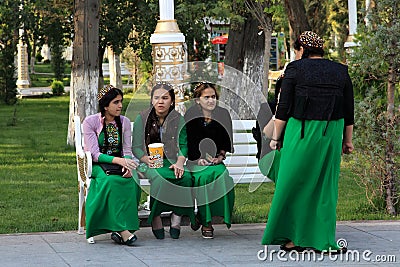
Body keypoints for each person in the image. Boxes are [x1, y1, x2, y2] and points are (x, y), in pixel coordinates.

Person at [261, 31, 354, 254]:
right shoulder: (340, 70)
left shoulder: (294, 69)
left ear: (302, 49)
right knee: (324, 186)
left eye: (296, 51)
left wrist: (275, 139)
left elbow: (283, 108)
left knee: (293, 183)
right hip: (332, 131)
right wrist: (347, 141)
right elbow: (349, 110)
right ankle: (322, 240)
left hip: (300, 131)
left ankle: (293, 239)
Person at [132, 82, 196, 240]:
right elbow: (136, 147)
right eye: (156, 98)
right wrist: (146, 159)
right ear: (152, 100)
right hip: (149, 162)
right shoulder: (142, 118)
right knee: (160, 178)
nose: (160, 101)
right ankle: (155, 215)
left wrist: (180, 162)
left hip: (172, 160)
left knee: (185, 177)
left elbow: (183, 145)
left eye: (165, 98)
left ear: (172, 101)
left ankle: (177, 215)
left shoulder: (178, 118)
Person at [83, 85, 141, 246]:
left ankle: (121, 230)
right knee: (110, 182)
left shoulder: (124, 122)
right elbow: (94, 154)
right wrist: (119, 161)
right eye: (116, 102)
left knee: (132, 180)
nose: (120, 106)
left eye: (121, 101)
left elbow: (127, 149)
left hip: (120, 163)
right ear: (105, 105)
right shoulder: (90, 122)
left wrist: (127, 164)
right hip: (97, 165)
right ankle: (123, 230)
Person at [184, 82, 234, 239]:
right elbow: (188, 141)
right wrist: (197, 159)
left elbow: (226, 139)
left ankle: (209, 216)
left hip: (215, 161)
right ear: (198, 100)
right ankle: (206, 223)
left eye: (213, 97)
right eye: (206, 97)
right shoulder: (191, 114)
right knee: (204, 178)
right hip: (195, 161)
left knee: (223, 176)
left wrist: (220, 156)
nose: (211, 100)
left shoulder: (223, 114)